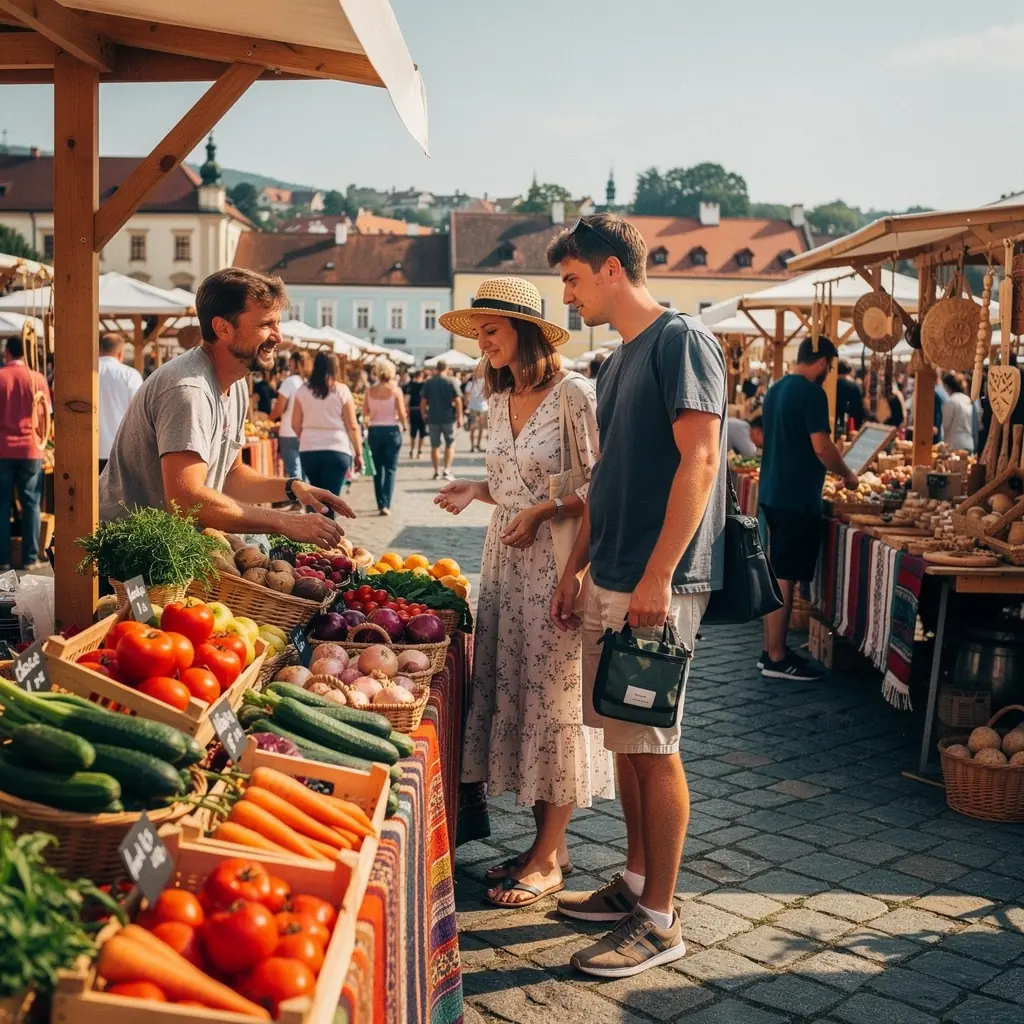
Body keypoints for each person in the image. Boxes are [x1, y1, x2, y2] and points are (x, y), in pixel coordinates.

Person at [547, 214, 727, 978]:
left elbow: (704, 457)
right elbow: (605, 481)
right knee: (625, 742)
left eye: (573, 278)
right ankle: (634, 882)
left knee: (655, 748)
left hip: (660, 581)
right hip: (614, 574)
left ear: (613, 269)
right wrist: (576, 564)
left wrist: (659, 574)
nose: (567, 294)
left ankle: (660, 921)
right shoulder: (618, 362)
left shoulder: (681, 341)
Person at [434, 277, 613, 910]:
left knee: (557, 702)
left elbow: (604, 488)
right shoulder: (498, 400)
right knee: (524, 692)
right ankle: (549, 847)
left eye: (491, 330)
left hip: (559, 563)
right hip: (506, 569)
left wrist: (547, 521)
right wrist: (474, 490)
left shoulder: (576, 395)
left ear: (527, 331)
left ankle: (550, 856)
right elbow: (511, 482)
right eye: (478, 333)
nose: (482, 344)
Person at [99, 268, 352, 548]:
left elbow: (231, 476)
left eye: (277, 324)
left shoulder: (237, 382)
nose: (277, 336)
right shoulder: (188, 389)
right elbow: (186, 499)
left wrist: (292, 487)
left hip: (168, 549)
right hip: (130, 554)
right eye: (266, 324)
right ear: (222, 328)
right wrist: (284, 522)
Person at [759, 336, 859, 682]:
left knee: (776, 573)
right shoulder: (812, 393)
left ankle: (769, 649)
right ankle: (777, 656)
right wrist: (847, 474)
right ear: (819, 361)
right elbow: (822, 447)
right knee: (784, 576)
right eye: (828, 365)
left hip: (773, 490)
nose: (828, 371)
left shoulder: (776, 388)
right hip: (796, 497)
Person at [291, 352, 363, 516]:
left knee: (315, 498)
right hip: (337, 449)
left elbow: (295, 424)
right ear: (335, 368)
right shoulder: (341, 390)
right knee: (331, 500)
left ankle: (314, 536)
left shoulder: (303, 390)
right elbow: (352, 425)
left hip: (309, 448)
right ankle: (328, 538)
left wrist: (306, 437)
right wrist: (358, 452)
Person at [0, 335, 49, 571]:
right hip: (31, 448)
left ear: (7, 353)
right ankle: (30, 557)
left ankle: (3, 558)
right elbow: (45, 414)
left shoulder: (0, 376)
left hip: (2, 448)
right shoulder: (37, 378)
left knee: (2, 504)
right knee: (31, 503)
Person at [364, 356, 407, 516]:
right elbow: (402, 413)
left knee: (377, 469)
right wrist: (405, 426)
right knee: (390, 469)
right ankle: (386, 504)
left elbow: (365, 413)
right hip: (392, 431)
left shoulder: (370, 391)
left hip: (375, 431)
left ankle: (380, 501)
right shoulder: (396, 390)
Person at [98, 332, 143, 476]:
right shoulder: (130, 375)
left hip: (88, 449)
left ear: (100, 349)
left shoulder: (85, 372)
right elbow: (139, 413)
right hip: (120, 449)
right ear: (120, 353)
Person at [421, 360, 462, 481]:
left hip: (433, 417)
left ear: (436, 368)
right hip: (448, 417)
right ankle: (446, 470)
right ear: (446, 368)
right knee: (450, 444)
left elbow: (423, 401)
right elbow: (458, 400)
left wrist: (423, 414)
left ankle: (436, 471)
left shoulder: (429, 382)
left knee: (434, 445)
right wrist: (460, 416)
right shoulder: (451, 381)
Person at [271, 350, 309, 481]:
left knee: (293, 469)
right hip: (304, 431)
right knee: (303, 469)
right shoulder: (307, 383)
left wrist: (270, 418)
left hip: (288, 430)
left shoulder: (290, 382)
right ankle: (308, 498)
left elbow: (279, 408)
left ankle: (298, 499)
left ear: (294, 363)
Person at [942, 373, 974, 452]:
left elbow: (946, 424)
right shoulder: (967, 399)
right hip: (968, 442)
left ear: (947, 387)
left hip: (955, 444)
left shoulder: (951, 401)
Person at [835, 360, 866, 436]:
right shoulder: (854, 387)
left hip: (834, 422)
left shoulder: (831, 386)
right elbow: (860, 408)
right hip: (851, 424)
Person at [403, 369, 427, 459]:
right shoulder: (423, 385)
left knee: (416, 432)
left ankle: (414, 450)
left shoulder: (410, 385)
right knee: (420, 432)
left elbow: (406, 398)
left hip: (414, 410)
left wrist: (406, 409)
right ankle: (418, 451)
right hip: (420, 411)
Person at [466, 373, 489, 452]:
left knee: (473, 427)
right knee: (480, 428)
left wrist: (467, 406)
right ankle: (477, 445)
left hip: (474, 407)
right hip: (483, 407)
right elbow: (488, 394)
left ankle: (473, 446)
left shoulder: (470, 383)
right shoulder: (485, 382)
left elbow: (467, 396)